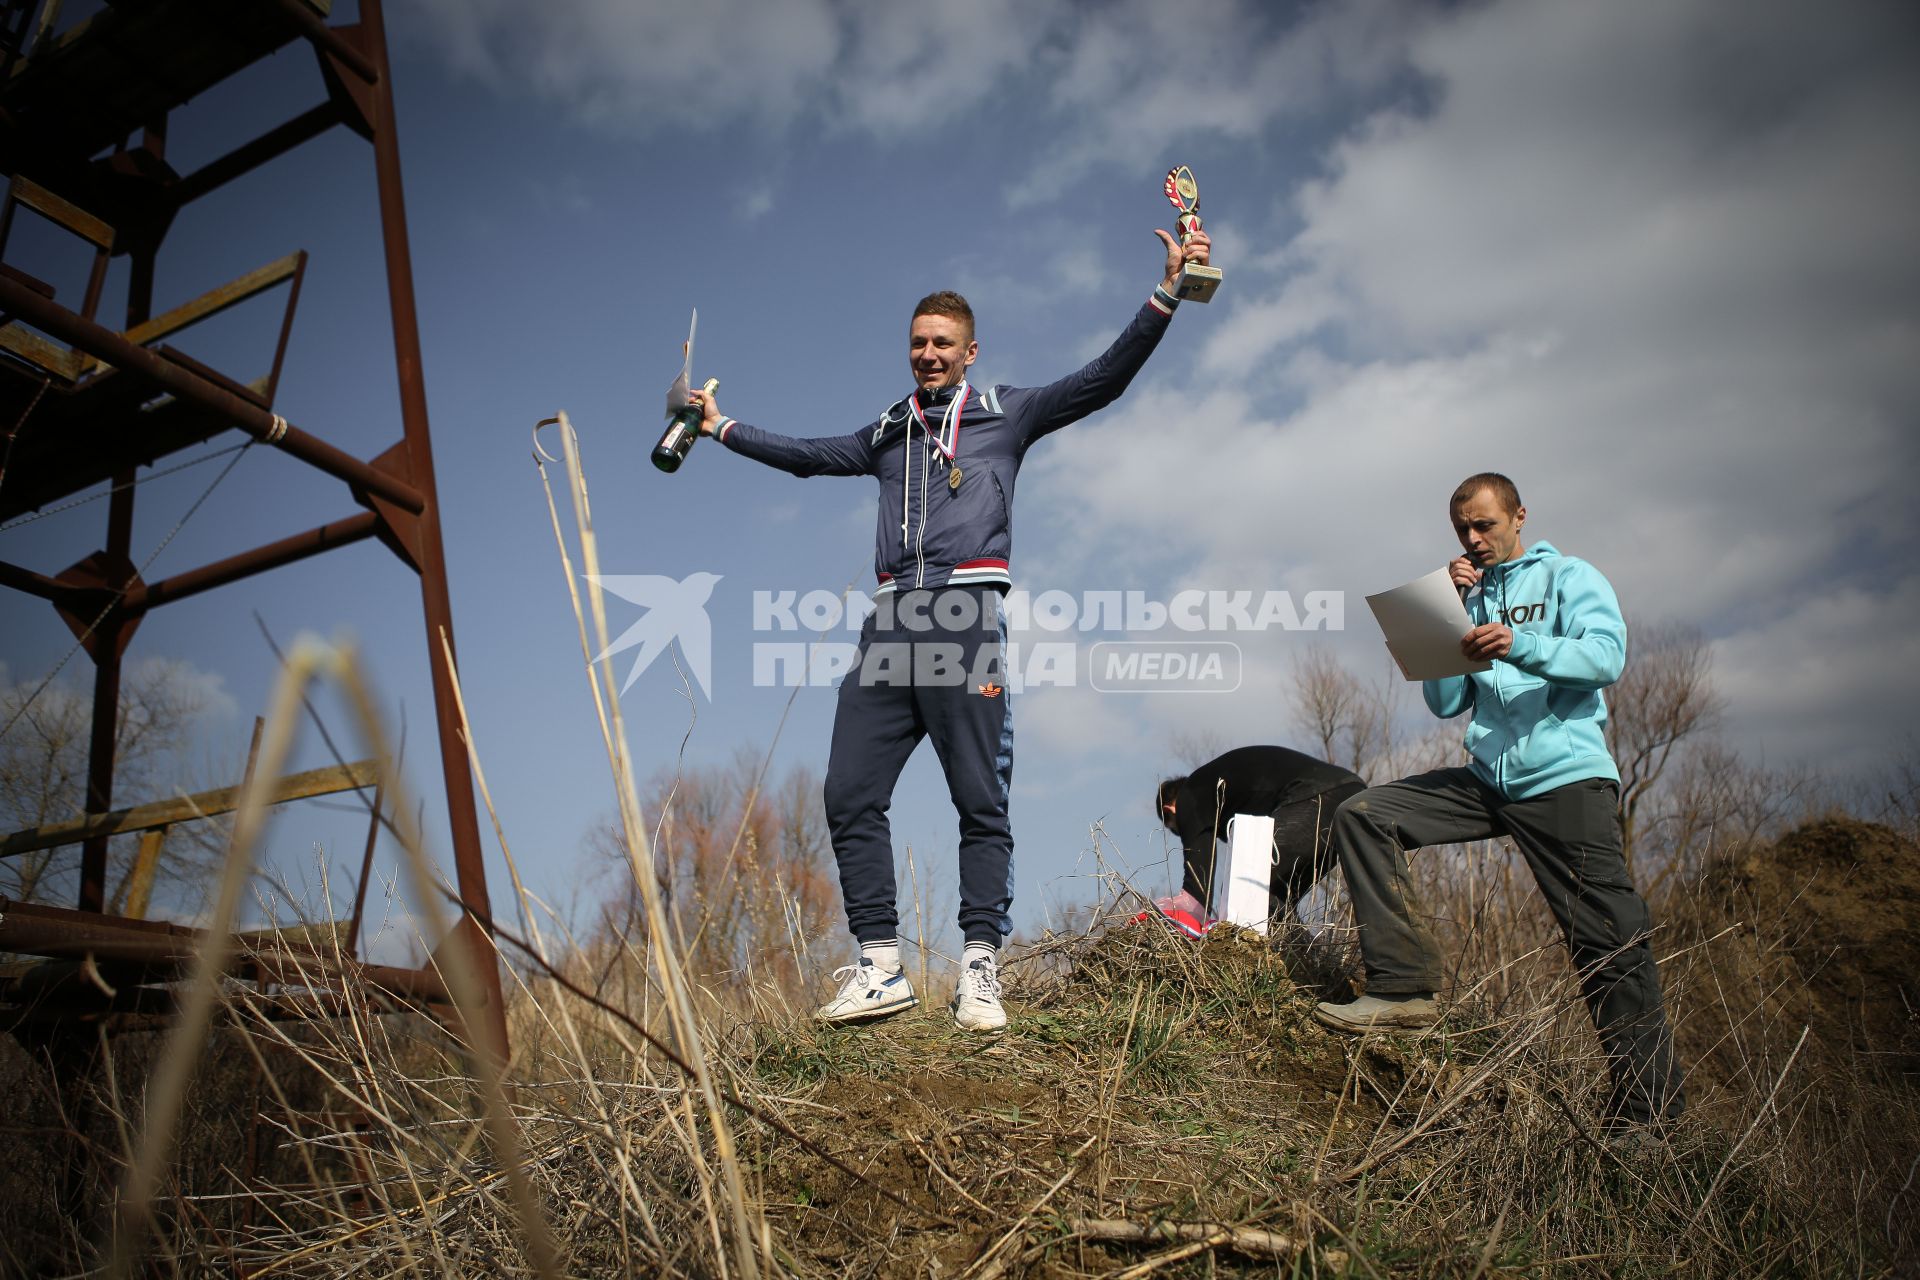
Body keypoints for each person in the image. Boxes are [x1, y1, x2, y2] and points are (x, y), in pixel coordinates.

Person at [689, 226, 1212, 1032]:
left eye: (943, 344)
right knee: (847, 792)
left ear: (970, 352)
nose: (929, 355)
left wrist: (1168, 291)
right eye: (918, 344)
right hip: (890, 620)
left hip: (965, 615)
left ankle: (979, 969)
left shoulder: (1010, 413)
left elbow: (1105, 378)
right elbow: (805, 455)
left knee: (979, 799)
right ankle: (879, 966)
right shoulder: (890, 429)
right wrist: (722, 426)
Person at [1314, 473, 1686, 1128]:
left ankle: (1648, 1118)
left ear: (1519, 516)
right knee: (1365, 814)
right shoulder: (1471, 595)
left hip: (1564, 776)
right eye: (1463, 529)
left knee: (1608, 941)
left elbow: (1606, 658)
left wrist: (1524, 644)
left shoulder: (1571, 577)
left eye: (1485, 524)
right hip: (1490, 779)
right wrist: (1444, 618)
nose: (1473, 538)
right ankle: (1402, 988)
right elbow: (1446, 702)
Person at [1154, 745, 1365, 935]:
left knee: (1246, 884)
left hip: (1318, 795)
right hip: (1351, 795)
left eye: (1178, 830)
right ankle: (1309, 966)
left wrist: (1172, 911)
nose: (1187, 833)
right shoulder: (1218, 791)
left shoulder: (1190, 795)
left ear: (1169, 809)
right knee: (1271, 901)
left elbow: (1197, 893)